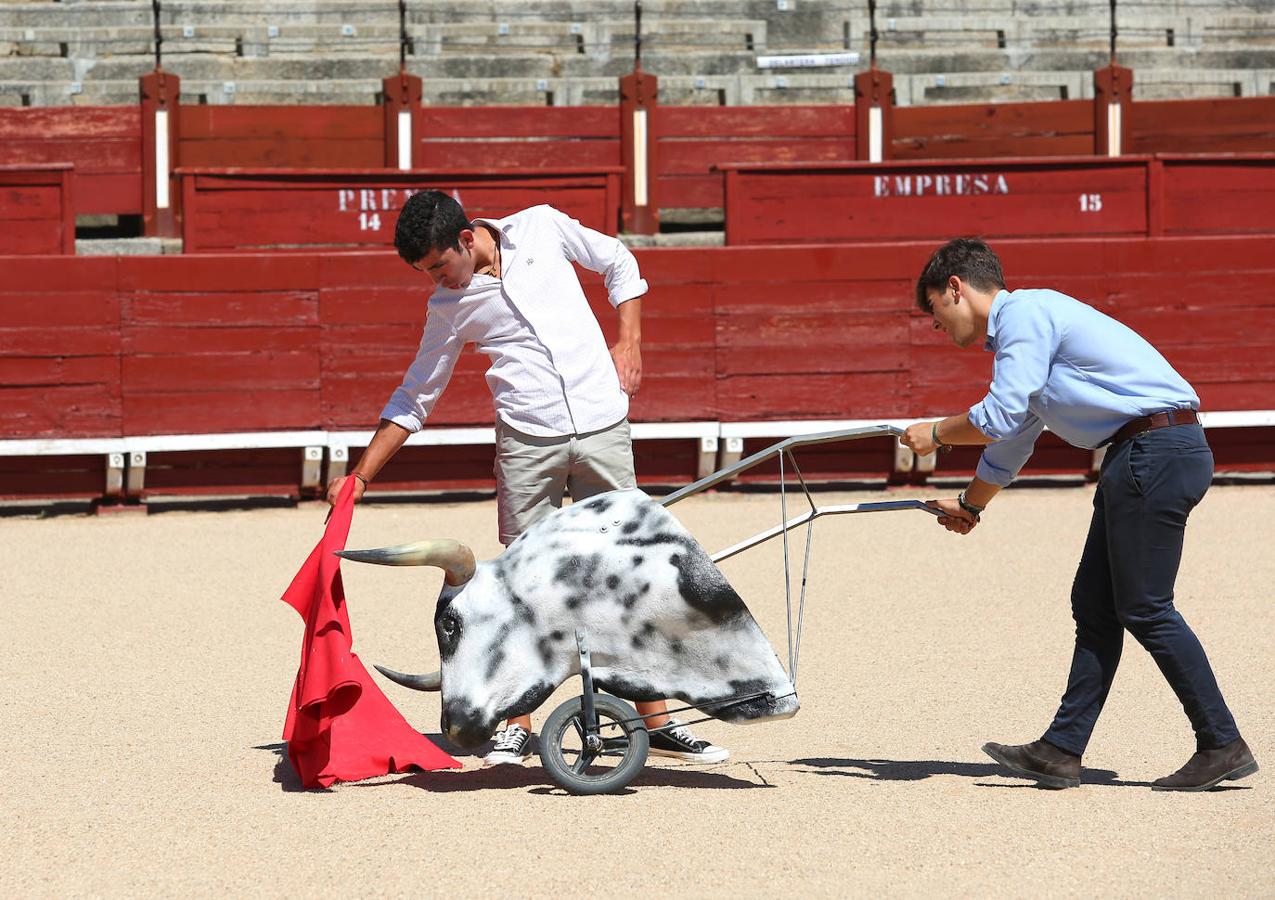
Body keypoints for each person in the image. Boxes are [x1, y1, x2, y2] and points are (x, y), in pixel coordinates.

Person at [325, 191, 727, 768]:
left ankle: (656, 721)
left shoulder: (540, 227)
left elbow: (619, 261)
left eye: (439, 266)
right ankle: (517, 725)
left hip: (600, 421)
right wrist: (361, 477)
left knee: (626, 571)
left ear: (467, 239)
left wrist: (629, 340)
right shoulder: (448, 306)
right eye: (425, 273)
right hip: (526, 439)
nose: (437, 281)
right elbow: (416, 394)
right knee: (525, 581)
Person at [900, 237, 1256, 792]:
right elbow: (1012, 439)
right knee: (1095, 605)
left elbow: (998, 415)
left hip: (1153, 451)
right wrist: (971, 505)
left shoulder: (1024, 315)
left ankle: (1221, 741)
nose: (938, 327)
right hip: (1144, 452)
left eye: (936, 313)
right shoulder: (1029, 332)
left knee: (1145, 606)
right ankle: (1061, 749)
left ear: (955, 288)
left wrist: (937, 433)